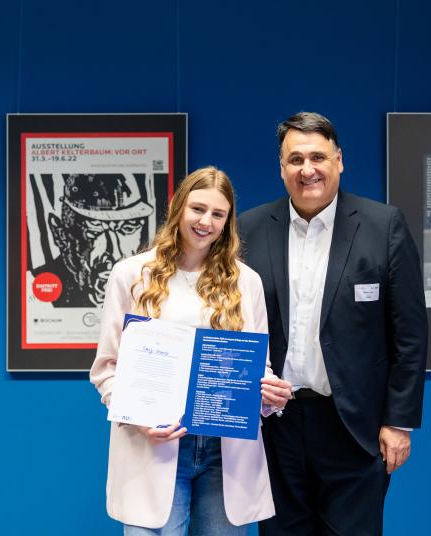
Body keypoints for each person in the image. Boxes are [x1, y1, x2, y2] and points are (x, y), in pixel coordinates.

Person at [238, 112, 428, 535]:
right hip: (276, 426)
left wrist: (398, 422)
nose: (307, 170)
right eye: (295, 159)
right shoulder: (248, 229)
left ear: (339, 160)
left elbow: (410, 335)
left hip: (353, 426)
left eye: (318, 157)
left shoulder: (383, 227)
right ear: (281, 168)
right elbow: (230, 324)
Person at [90, 167, 293, 535]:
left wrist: (270, 395)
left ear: (228, 221)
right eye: (198, 209)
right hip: (155, 444)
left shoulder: (246, 282)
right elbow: (106, 369)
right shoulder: (132, 274)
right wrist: (137, 418)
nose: (206, 222)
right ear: (178, 208)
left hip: (224, 452)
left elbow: (256, 370)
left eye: (218, 214)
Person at [33, 173, 152, 307]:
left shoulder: (155, 285)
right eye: (95, 231)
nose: (116, 254)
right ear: (60, 234)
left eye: (128, 228)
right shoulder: (31, 286)